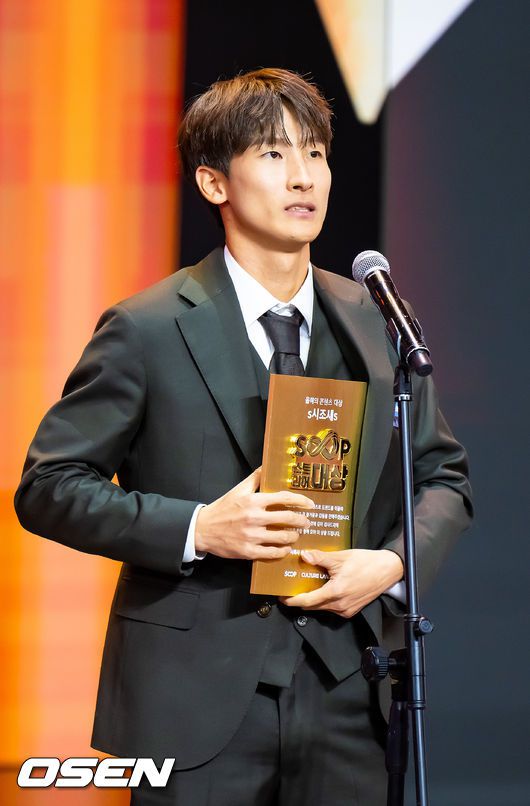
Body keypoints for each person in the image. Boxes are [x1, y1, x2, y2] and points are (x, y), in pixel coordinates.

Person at [14, 68, 472, 805]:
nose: (303, 176)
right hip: (192, 701)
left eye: (315, 153)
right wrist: (200, 528)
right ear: (213, 182)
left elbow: (443, 476)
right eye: (273, 154)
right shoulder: (148, 327)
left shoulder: (377, 319)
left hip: (349, 691)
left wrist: (390, 566)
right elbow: (48, 487)